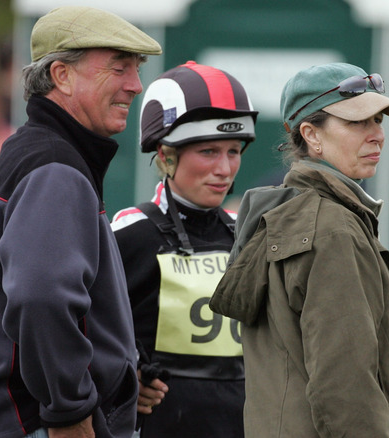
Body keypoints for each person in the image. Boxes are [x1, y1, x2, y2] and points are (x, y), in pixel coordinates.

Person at [0, 6, 161, 438]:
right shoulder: (55, 167)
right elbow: (41, 299)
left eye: (137, 70)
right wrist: (69, 411)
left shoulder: (33, 152)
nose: (136, 86)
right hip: (31, 424)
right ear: (61, 75)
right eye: (119, 69)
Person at [210, 62, 389, 437]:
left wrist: (379, 307)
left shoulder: (292, 213)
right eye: (359, 122)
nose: (377, 135)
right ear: (311, 135)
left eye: (378, 120)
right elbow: (345, 394)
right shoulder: (333, 229)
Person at [110, 61, 258, 437]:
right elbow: (84, 333)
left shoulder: (249, 235)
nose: (225, 169)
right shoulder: (132, 233)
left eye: (234, 151)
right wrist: (127, 380)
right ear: (165, 156)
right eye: (208, 152)